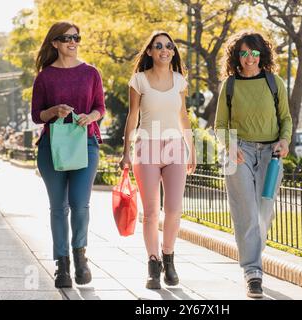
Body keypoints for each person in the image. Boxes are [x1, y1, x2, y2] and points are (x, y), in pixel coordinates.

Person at [214, 30, 293, 298]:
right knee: (246, 212)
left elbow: (286, 119)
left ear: (262, 54)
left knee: (264, 213)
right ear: (237, 56)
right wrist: (231, 144)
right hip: (240, 152)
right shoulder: (230, 85)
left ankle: (253, 257)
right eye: (244, 53)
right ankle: (252, 272)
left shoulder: (274, 83)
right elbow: (220, 126)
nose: (249, 58)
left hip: (271, 155)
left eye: (254, 53)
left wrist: (284, 141)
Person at [31, 21, 106, 288]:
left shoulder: (91, 73)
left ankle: (81, 258)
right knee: (58, 208)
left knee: (79, 204)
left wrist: (90, 116)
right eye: (66, 38)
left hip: (86, 144)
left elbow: (100, 107)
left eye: (76, 37)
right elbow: (36, 114)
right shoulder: (44, 77)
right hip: (52, 148)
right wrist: (54, 111)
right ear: (55, 43)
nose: (72, 42)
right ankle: (62, 265)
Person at [120, 31, 196, 290]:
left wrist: (191, 149)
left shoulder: (180, 81)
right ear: (150, 51)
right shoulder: (139, 80)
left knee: (174, 210)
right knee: (151, 212)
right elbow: (132, 117)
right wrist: (126, 151)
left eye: (168, 46)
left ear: (173, 52)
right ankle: (153, 264)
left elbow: (183, 116)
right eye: (158, 46)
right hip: (147, 148)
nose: (164, 50)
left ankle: (169, 257)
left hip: (175, 147)